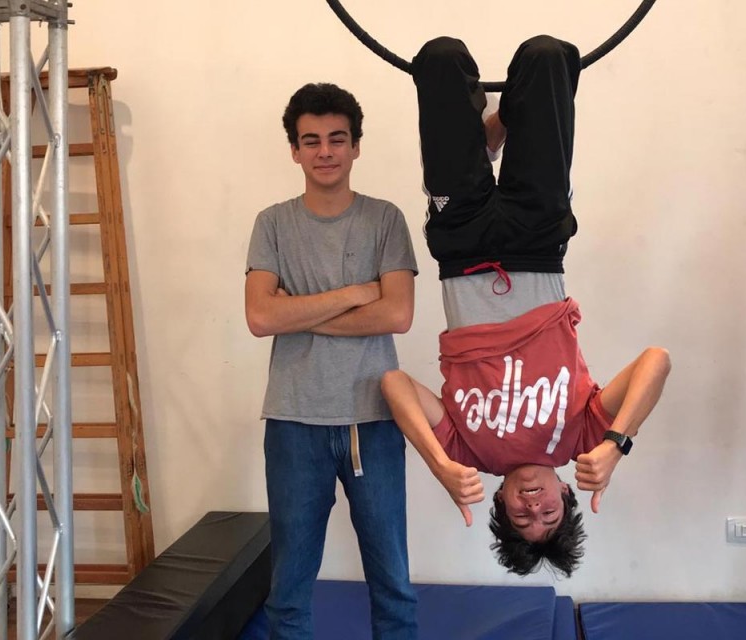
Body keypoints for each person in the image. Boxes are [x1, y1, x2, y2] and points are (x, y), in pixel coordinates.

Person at [380, 36, 671, 577]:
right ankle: (499, 127)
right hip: (538, 243)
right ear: (567, 493)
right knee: (546, 56)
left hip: (461, 248)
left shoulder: (468, 454)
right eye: (548, 514)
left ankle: (488, 135)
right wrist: (616, 445)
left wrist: (440, 466)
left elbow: (393, 384)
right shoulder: (583, 439)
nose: (533, 506)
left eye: (521, 518)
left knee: (440, 58)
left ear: (499, 503)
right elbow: (657, 361)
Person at [245, 82, 419, 639]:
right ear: (294, 151)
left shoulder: (385, 219)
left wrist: (296, 310)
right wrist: (353, 294)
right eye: (312, 140)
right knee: (289, 590)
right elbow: (260, 318)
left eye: (337, 139)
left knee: (393, 584)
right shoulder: (272, 223)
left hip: (375, 418)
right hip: (293, 422)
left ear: (356, 146)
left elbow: (397, 314)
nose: (325, 151)